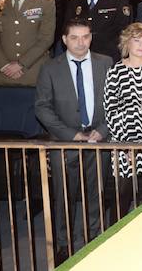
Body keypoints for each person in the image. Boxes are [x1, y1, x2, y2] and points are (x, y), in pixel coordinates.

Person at [34, 17, 110, 264]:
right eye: (75, 37)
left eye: (86, 36)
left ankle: (96, 240)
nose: (81, 42)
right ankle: (64, 245)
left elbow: (117, 103)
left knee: (96, 194)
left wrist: (103, 129)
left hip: (99, 139)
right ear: (65, 40)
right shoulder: (49, 67)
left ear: (91, 37)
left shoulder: (106, 63)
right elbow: (42, 108)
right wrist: (71, 135)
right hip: (64, 142)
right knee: (64, 196)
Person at [102, 22, 142, 213]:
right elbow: (110, 109)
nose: (141, 45)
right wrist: (126, 146)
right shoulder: (115, 70)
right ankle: (116, 236)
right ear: (127, 42)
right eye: (136, 40)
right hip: (125, 143)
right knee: (122, 196)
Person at [66, 0, 132, 60]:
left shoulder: (118, 0)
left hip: (109, 56)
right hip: (80, 55)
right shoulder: (74, 1)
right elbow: (67, 29)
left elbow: (124, 31)